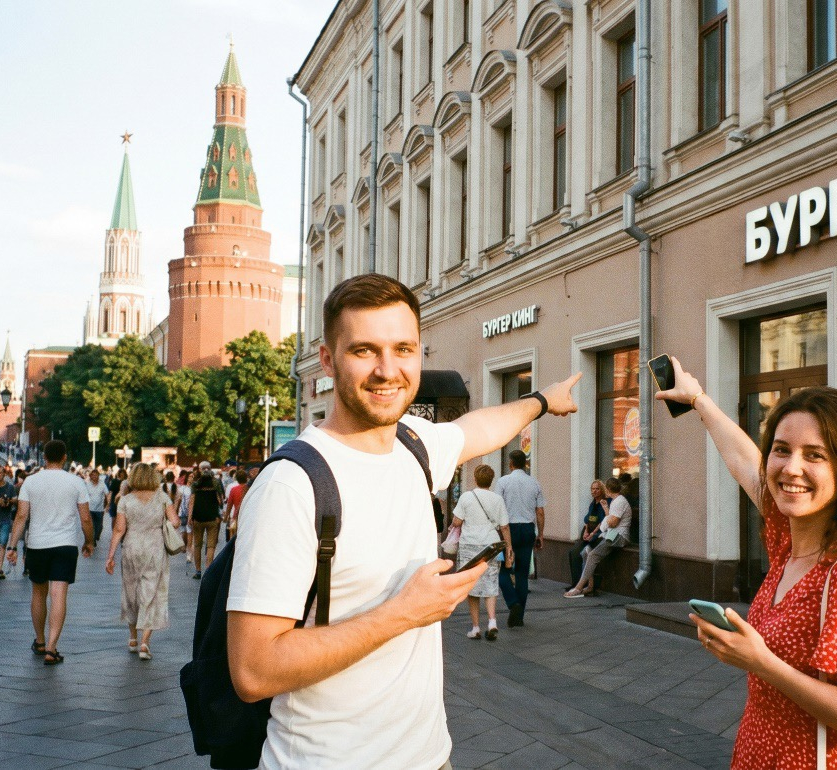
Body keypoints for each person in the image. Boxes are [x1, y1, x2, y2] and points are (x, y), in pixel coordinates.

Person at [226, 273, 580, 768]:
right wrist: (404, 612)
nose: (387, 370)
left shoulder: (413, 443)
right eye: (364, 350)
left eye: (403, 349)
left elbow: (477, 428)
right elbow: (253, 671)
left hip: (431, 758)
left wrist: (541, 401)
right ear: (327, 360)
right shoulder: (290, 485)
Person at [658, 360, 837, 769]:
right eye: (781, 450)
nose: (791, 468)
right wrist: (697, 399)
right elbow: (745, 462)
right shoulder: (787, 543)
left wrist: (760, 662)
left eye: (815, 455)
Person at [6, 440, 94, 666]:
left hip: (37, 544)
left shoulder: (30, 481)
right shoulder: (76, 482)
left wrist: (12, 546)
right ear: (64, 457)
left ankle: (40, 640)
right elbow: (85, 518)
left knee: (38, 593)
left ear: (44, 457)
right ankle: (52, 648)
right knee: (58, 594)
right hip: (65, 544)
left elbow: (21, 516)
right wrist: (89, 541)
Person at [104, 462, 181, 661]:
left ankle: (132, 638)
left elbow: (119, 529)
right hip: (155, 549)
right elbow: (175, 522)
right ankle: (145, 642)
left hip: (131, 548)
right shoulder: (162, 498)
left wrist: (110, 556)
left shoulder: (125, 500)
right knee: (152, 593)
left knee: (131, 592)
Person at [451, 464, 513, 641]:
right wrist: (509, 548)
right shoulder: (497, 499)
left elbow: (456, 522)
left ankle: (476, 628)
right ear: (491, 480)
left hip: (469, 544)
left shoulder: (466, 497)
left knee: (471, 585)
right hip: (490, 546)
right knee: (490, 584)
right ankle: (492, 622)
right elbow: (504, 526)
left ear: (475, 479)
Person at [495, 449, 547, 627]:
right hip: (527, 529)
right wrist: (540, 534)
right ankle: (519, 617)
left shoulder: (503, 482)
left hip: (508, 529)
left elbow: (497, 508)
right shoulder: (534, 483)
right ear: (525, 464)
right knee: (522, 574)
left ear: (510, 464)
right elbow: (540, 511)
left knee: (503, 570)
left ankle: (513, 603)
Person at [564, 478, 633, 598]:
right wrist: (606, 510)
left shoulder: (619, 501)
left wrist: (605, 521)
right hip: (611, 534)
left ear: (608, 489)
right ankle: (590, 587)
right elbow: (609, 518)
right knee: (586, 552)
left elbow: (613, 523)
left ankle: (578, 588)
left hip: (619, 536)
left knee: (592, 555)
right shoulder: (615, 501)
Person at [568, 480, 607, 587]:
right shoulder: (592, 504)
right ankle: (575, 584)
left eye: (597, 489)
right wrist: (586, 531)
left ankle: (584, 585)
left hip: (598, 536)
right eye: (592, 489)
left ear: (602, 490)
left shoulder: (604, 503)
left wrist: (592, 534)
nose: (594, 491)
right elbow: (587, 519)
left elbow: (603, 522)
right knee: (573, 553)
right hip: (588, 534)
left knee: (583, 553)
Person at [188, 469, 222, 578]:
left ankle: (198, 571)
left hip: (198, 518)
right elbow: (220, 501)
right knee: (211, 546)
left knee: (197, 545)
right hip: (212, 518)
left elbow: (191, 502)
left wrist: (190, 517)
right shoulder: (215, 486)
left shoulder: (195, 486)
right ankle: (208, 571)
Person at [84, 469, 109, 547]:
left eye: (96, 475)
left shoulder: (102, 484)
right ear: (91, 476)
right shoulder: (88, 485)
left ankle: (97, 535)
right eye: (93, 475)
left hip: (99, 509)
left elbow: (107, 494)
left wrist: (108, 505)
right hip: (90, 509)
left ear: (98, 476)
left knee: (99, 526)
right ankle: (93, 539)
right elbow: (84, 496)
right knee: (92, 526)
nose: (94, 476)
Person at [222, 469, 248, 541]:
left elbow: (229, 505)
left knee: (234, 539)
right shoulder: (249, 489)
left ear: (237, 479)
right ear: (246, 478)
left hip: (236, 517)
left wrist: (226, 517)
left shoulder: (233, 489)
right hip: (247, 517)